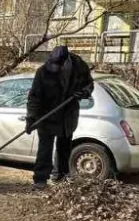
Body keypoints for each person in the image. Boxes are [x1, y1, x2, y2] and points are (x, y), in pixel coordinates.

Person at [26, 44, 94, 189]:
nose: (54, 68)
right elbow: (34, 97)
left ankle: (61, 177)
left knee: (64, 148)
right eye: (53, 64)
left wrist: (84, 93)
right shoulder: (43, 72)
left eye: (58, 65)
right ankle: (40, 180)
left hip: (67, 115)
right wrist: (31, 117)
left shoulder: (79, 67)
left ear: (66, 61)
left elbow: (89, 84)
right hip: (47, 115)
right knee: (45, 149)